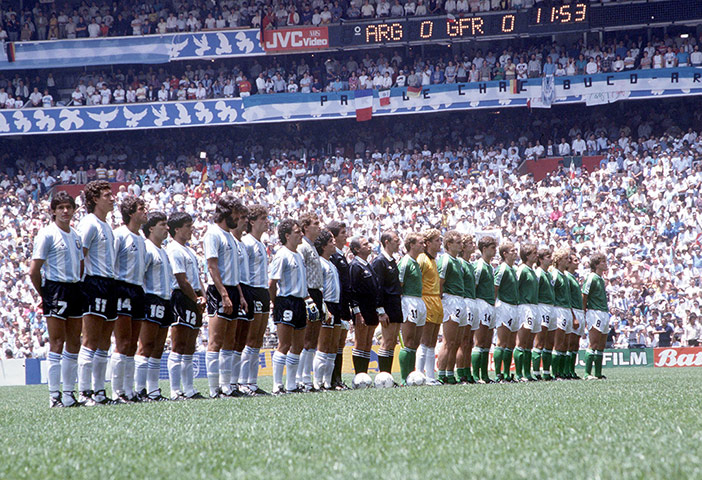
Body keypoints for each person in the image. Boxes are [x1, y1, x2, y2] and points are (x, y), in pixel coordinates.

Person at [29, 192, 83, 407]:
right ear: (53, 211)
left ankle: (69, 395)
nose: (64, 211)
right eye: (60, 207)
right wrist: (45, 294)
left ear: (73, 210)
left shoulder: (76, 236)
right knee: (57, 342)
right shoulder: (47, 234)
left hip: (75, 289)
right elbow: (34, 270)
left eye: (68, 207)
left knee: (74, 342)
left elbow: (80, 264)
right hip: (56, 289)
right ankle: (54, 396)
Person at [77, 180, 117, 406]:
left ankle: (100, 392)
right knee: (90, 340)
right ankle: (84, 393)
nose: (112, 198)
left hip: (109, 285)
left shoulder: (106, 226)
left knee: (104, 342)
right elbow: (79, 256)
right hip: (93, 285)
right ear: (94, 200)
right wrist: (82, 287)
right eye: (106, 195)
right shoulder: (89, 224)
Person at [203, 197, 247, 398]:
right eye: (235, 215)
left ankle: (226, 386)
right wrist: (223, 294)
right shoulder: (213, 234)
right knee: (216, 340)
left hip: (232, 290)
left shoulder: (230, 237)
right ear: (225, 213)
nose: (238, 219)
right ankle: (213, 389)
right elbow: (212, 267)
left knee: (230, 339)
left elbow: (233, 271)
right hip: (218, 291)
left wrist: (239, 295)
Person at [110, 196, 147, 403]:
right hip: (122, 289)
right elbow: (111, 264)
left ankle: (129, 389)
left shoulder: (141, 238)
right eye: (141, 209)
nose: (145, 211)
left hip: (137, 291)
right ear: (131, 213)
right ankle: (117, 391)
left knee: (133, 343)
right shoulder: (119, 235)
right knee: (122, 341)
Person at [167, 212, 207, 400]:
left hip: (194, 297)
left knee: (190, 345)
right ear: (177, 229)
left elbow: (197, 278)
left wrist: (203, 296)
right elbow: (181, 280)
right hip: (182, 298)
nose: (191, 229)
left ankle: (189, 389)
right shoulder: (174, 249)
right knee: (179, 344)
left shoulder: (189, 250)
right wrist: (196, 298)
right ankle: (175, 390)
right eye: (187, 226)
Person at [134, 211, 173, 402]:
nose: (167, 228)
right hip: (151, 299)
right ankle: (140, 390)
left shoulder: (163, 250)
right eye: (162, 224)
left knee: (158, 348)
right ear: (151, 228)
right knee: (146, 346)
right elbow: (140, 276)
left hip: (165, 301)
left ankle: (153, 390)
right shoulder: (147, 249)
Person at [269, 219, 309, 395]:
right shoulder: (282, 254)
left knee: (298, 345)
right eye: (297, 231)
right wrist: (276, 302)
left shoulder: (298, 255)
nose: (301, 234)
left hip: (299, 302)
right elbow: (272, 282)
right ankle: (277, 385)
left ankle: (291, 385)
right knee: (284, 344)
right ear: (287, 235)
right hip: (286, 301)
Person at [239, 205, 271, 395]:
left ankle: (252, 382)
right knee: (250, 339)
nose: (266, 221)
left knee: (258, 339)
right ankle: (243, 382)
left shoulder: (260, 243)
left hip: (262, 290)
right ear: (251, 222)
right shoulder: (247, 242)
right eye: (262, 218)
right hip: (251, 290)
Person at [349, 236, 388, 374]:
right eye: (365, 244)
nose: (369, 246)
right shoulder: (355, 266)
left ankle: (364, 374)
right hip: (362, 310)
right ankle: (358, 374)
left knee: (367, 343)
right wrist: (357, 312)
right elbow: (352, 291)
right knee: (360, 342)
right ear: (356, 249)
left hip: (371, 310)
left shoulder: (367, 265)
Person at [227, 200, 252, 396]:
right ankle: (226, 382)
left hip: (245, 290)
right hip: (235, 289)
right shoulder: (230, 241)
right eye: (242, 218)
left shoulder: (243, 244)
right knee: (231, 338)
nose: (245, 221)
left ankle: (235, 383)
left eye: (246, 218)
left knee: (241, 339)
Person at [436, 230, 468, 384]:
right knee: (448, 341)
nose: (461, 245)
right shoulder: (445, 260)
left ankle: (450, 372)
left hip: (460, 300)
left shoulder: (458, 262)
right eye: (458, 242)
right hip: (450, 300)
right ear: (449, 244)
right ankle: (441, 373)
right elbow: (440, 283)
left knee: (456, 341)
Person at [296, 213, 323, 392]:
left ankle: (307, 377)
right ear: (305, 227)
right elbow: (300, 273)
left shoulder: (312, 247)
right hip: (308, 292)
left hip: (316, 292)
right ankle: (301, 378)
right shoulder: (303, 247)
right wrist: (306, 297)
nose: (318, 226)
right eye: (315, 223)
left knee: (313, 339)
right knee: (306, 338)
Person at [370, 231, 403, 376]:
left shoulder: (392, 261)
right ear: (387, 242)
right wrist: (380, 310)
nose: (399, 242)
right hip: (387, 307)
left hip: (395, 305)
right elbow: (378, 287)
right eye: (396, 240)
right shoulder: (379, 261)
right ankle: (383, 376)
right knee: (386, 341)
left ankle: (387, 375)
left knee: (392, 343)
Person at [313, 229, 341, 389]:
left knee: (332, 347)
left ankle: (327, 382)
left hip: (336, 305)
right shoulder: (320, 263)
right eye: (331, 241)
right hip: (327, 305)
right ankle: (317, 382)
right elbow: (319, 289)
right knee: (323, 346)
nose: (334, 243)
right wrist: (324, 308)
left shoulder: (331, 264)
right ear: (323, 246)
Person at [397, 233, 427, 383]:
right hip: (409, 301)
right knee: (408, 341)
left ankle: (410, 376)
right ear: (411, 245)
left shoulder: (415, 262)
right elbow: (399, 284)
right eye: (421, 243)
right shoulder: (405, 262)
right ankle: (404, 378)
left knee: (415, 343)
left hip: (419, 301)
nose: (424, 245)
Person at [415, 229, 443, 385]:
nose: (440, 243)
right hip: (426, 300)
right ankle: (419, 375)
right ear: (428, 243)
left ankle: (431, 377)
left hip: (436, 301)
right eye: (437, 240)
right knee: (425, 340)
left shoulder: (434, 260)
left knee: (432, 341)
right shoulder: (422, 259)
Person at [328, 221, 352, 390]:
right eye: (342, 233)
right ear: (334, 237)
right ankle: (331, 379)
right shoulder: (333, 257)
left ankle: (337, 378)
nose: (346, 235)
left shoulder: (341, 256)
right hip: (336, 304)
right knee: (333, 343)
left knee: (340, 344)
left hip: (344, 305)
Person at [493, 241, 520, 383]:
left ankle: (506, 373)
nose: (515, 252)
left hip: (514, 307)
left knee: (511, 343)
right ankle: (498, 375)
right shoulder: (502, 268)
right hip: (504, 306)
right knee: (502, 342)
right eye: (512, 251)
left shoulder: (513, 269)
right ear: (505, 254)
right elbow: (495, 287)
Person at [472, 236, 497, 384]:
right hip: (481, 303)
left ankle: (485, 375)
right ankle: (476, 375)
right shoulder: (479, 266)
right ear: (484, 249)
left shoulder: (489, 266)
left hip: (489, 305)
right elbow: (473, 286)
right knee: (480, 341)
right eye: (492, 247)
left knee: (487, 342)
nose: (495, 251)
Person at [582, 252, 610, 380]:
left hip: (604, 312)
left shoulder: (600, 279)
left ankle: (598, 373)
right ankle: (587, 374)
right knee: (593, 343)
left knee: (601, 345)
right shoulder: (591, 277)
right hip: (595, 312)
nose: (606, 263)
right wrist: (583, 313)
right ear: (597, 264)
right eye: (603, 261)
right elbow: (584, 294)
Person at [515, 243, 540, 382]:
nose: (536, 255)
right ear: (527, 256)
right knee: (522, 341)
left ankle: (527, 372)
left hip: (534, 306)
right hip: (525, 306)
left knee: (530, 342)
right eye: (533, 253)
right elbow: (515, 286)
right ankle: (518, 374)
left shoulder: (533, 270)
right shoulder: (522, 269)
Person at [456, 234, 478, 384]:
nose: (473, 245)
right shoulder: (460, 263)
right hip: (465, 301)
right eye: (470, 243)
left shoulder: (470, 264)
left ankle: (467, 370)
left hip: (472, 301)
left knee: (469, 341)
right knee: (463, 340)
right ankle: (461, 372)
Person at [533, 248, 556, 380]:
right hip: (542, 307)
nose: (551, 259)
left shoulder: (548, 274)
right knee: (540, 341)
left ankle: (546, 372)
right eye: (548, 257)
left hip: (551, 308)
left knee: (549, 342)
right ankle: (536, 372)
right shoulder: (539, 273)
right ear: (540, 259)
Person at [550, 247, 573, 380]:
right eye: (565, 258)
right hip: (559, 309)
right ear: (558, 260)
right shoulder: (554, 273)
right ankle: (555, 372)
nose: (568, 260)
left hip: (566, 309)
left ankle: (562, 371)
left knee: (564, 343)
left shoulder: (564, 275)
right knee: (558, 342)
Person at [565, 253, 585, 380]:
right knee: (569, 343)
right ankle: (566, 371)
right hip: (573, 311)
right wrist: (573, 316)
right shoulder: (567, 276)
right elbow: (567, 297)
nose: (578, 262)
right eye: (575, 260)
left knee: (575, 344)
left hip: (579, 311)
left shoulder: (573, 276)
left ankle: (571, 371)